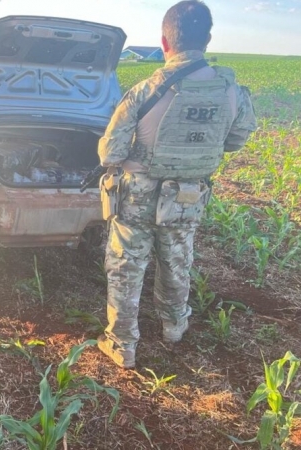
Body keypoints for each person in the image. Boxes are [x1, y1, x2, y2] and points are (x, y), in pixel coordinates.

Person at [96, 0, 257, 368]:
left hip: (136, 196)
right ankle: (173, 328)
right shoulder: (234, 92)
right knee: (176, 261)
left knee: (126, 266)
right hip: (186, 196)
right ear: (208, 39)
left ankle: (123, 345)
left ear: (165, 43)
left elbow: (111, 152)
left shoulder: (144, 89)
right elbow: (234, 141)